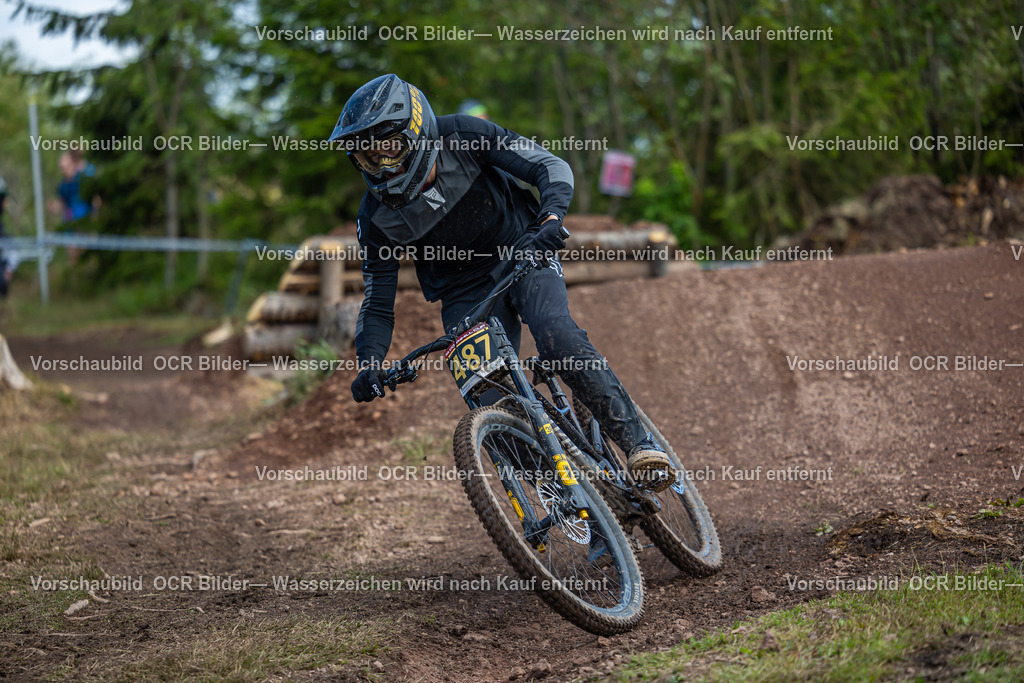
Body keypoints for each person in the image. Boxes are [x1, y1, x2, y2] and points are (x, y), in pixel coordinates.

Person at [329, 74, 674, 493]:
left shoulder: (464, 135)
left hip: (522, 250)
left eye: (390, 150)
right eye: (370, 158)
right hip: (463, 294)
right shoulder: (375, 217)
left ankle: (640, 446)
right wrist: (369, 363)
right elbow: (378, 303)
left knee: (556, 334)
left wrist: (550, 218)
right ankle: (572, 503)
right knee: (485, 391)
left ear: (417, 133)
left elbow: (550, 166)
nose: (384, 167)